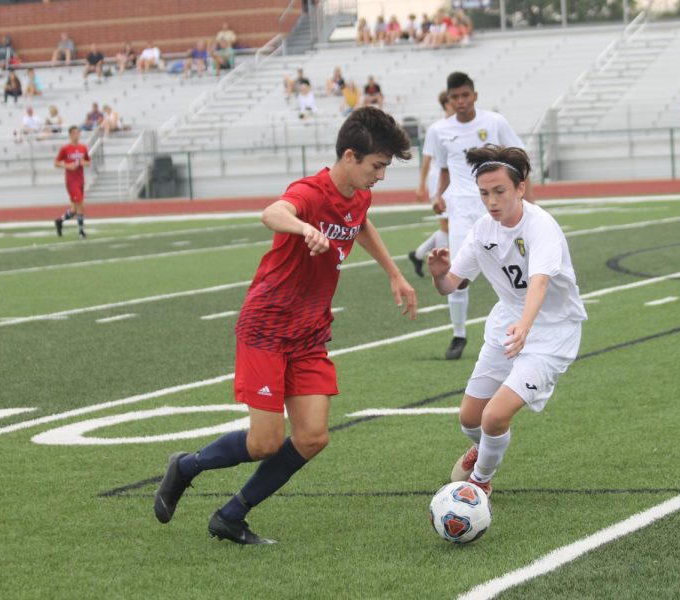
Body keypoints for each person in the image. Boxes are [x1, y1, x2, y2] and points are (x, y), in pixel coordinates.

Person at [152, 107, 418, 545]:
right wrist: (302, 229)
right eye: (377, 167)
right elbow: (273, 212)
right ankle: (186, 466)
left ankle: (231, 515)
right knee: (265, 442)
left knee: (313, 436)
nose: (380, 177)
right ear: (350, 156)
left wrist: (393, 272)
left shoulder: (358, 194)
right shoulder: (309, 192)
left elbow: (360, 222)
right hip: (267, 325)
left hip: (310, 330)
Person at [428, 144, 586, 497]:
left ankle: (480, 484)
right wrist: (439, 276)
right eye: (484, 193)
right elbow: (452, 284)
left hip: (551, 332)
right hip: (508, 326)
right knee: (470, 418)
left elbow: (540, 282)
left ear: (520, 188)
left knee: (494, 417)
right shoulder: (483, 230)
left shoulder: (540, 225)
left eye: (499, 191)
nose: (492, 201)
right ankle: (483, 451)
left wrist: (526, 326)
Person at [432, 71, 532, 360]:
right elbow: (444, 168)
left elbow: (520, 160)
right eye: (455, 97)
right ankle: (459, 334)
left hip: (499, 202)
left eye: (465, 95)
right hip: (462, 208)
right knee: (458, 275)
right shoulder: (440, 130)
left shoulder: (494, 122)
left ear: (474, 96)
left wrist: (529, 201)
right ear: (448, 101)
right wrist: (439, 194)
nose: (461, 102)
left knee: (521, 264)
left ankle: (529, 324)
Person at [407, 90, 454, 278]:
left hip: (455, 181)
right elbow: (426, 159)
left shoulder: (461, 127)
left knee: (452, 224)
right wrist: (421, 184)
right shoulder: (437, 129)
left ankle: (418, 254)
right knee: (445, 225)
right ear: (446, 105)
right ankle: (444, 267)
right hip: (440, 182)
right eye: (453, 100)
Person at [54, 125, 91, 240]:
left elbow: (88, 162)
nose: (76, 135)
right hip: (71, 181)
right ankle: (81, 232)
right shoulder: (65, 148)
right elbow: (56, 162)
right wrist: (67, 165)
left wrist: (82, 163)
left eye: (78, 132)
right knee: (80, 204)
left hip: (80, 179)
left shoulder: (83, 148)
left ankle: (59, 221)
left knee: (75, 209)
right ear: (70, 135)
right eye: (74, 133)